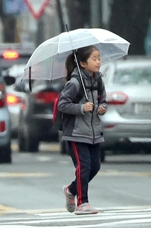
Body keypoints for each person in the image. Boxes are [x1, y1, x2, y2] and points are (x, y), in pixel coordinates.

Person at [58, 46, 107, 215]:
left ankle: (71, 190)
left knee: (95, 167)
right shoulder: (75, 83)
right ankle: (82, 203)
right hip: (76, 133)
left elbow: (104, 100)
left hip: (94, 132)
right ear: (82, 63)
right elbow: (62, 105)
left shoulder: (98, 80)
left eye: (99, 58)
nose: (98, 62)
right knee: (84, 167)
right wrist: (81, 108)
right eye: (94, 59)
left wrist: (102, 107)